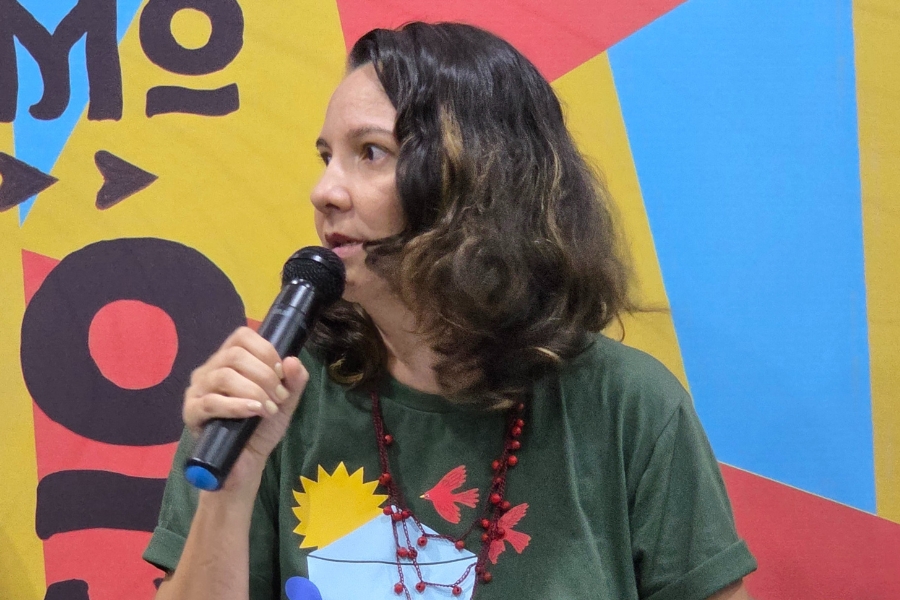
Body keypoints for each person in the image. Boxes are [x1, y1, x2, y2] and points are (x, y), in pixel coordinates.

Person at [144, 22, 757, 600]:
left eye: (371, 153)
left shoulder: (629, 404)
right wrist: (233, 485)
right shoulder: (275, 390)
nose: (325, 191)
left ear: (478, 183)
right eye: (326, 155)